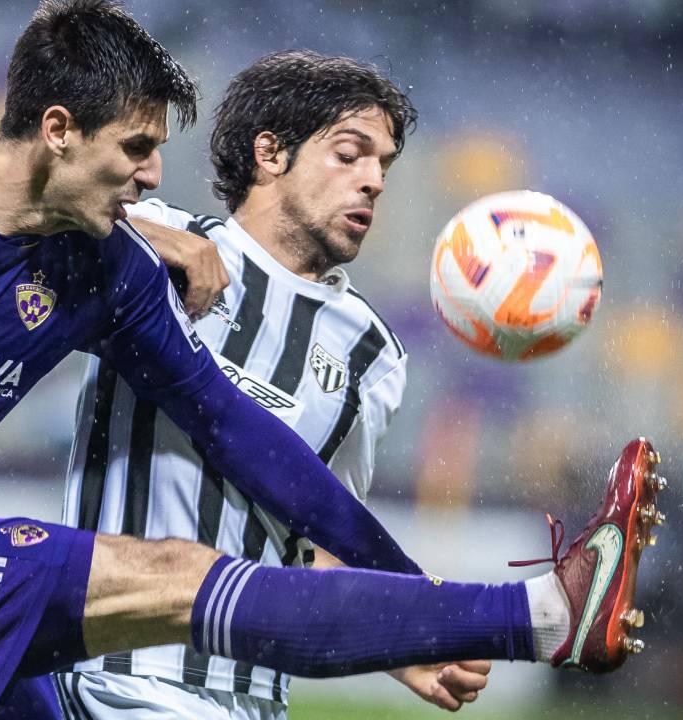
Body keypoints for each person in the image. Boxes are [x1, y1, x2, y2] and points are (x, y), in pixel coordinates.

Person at [0, 2, 661, 719]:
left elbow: (237, 432)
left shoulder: (98, 266)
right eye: (137, 150)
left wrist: (404, 599)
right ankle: (542, 617)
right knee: (173, 572)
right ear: (59, 129)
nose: (154, 177)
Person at [55, 50, 489, 718]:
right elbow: (26, 210)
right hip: (119, 677)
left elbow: (315, 542)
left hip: (256, 699)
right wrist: (151, 238)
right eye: (350, 154)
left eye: (384, 165)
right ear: (270, 153)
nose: (374, 181)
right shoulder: (155, 240)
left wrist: (399, 645)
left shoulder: (373, 354)